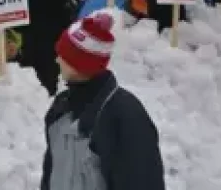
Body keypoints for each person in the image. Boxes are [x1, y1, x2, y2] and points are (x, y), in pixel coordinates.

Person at [40, 12, 165, 190]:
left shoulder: (124, 116)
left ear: (80, 63)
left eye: (64, 55)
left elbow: (142, 181)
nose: (57, 60)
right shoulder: (60, 110)